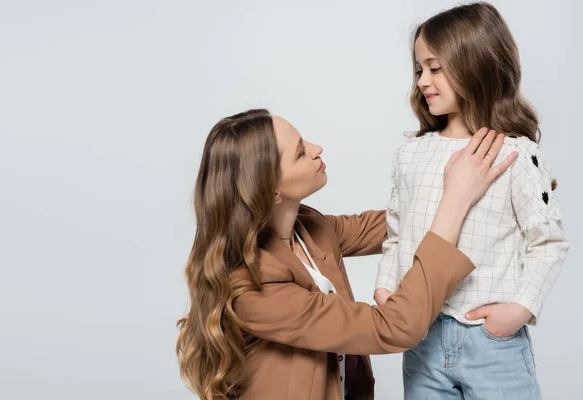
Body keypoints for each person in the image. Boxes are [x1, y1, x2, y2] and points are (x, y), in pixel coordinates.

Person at [176, 108, 516, 400]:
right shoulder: (253, 288)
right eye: (299, 152)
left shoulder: (308, 226)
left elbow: (393, 225)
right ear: (271, 189)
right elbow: (395, 327)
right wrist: (455, 201)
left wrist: (470, 184)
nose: (316, 148)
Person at [374, 3, 569, 399]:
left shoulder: (514, 153)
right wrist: (385, 287)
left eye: (435, 67)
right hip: (422, 338)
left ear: (475, 64)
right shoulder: (411, 153)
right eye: (418, 70)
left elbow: (548, 242)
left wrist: (519, 310)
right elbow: (396, 231)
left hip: (491, 343)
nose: (423, 81)